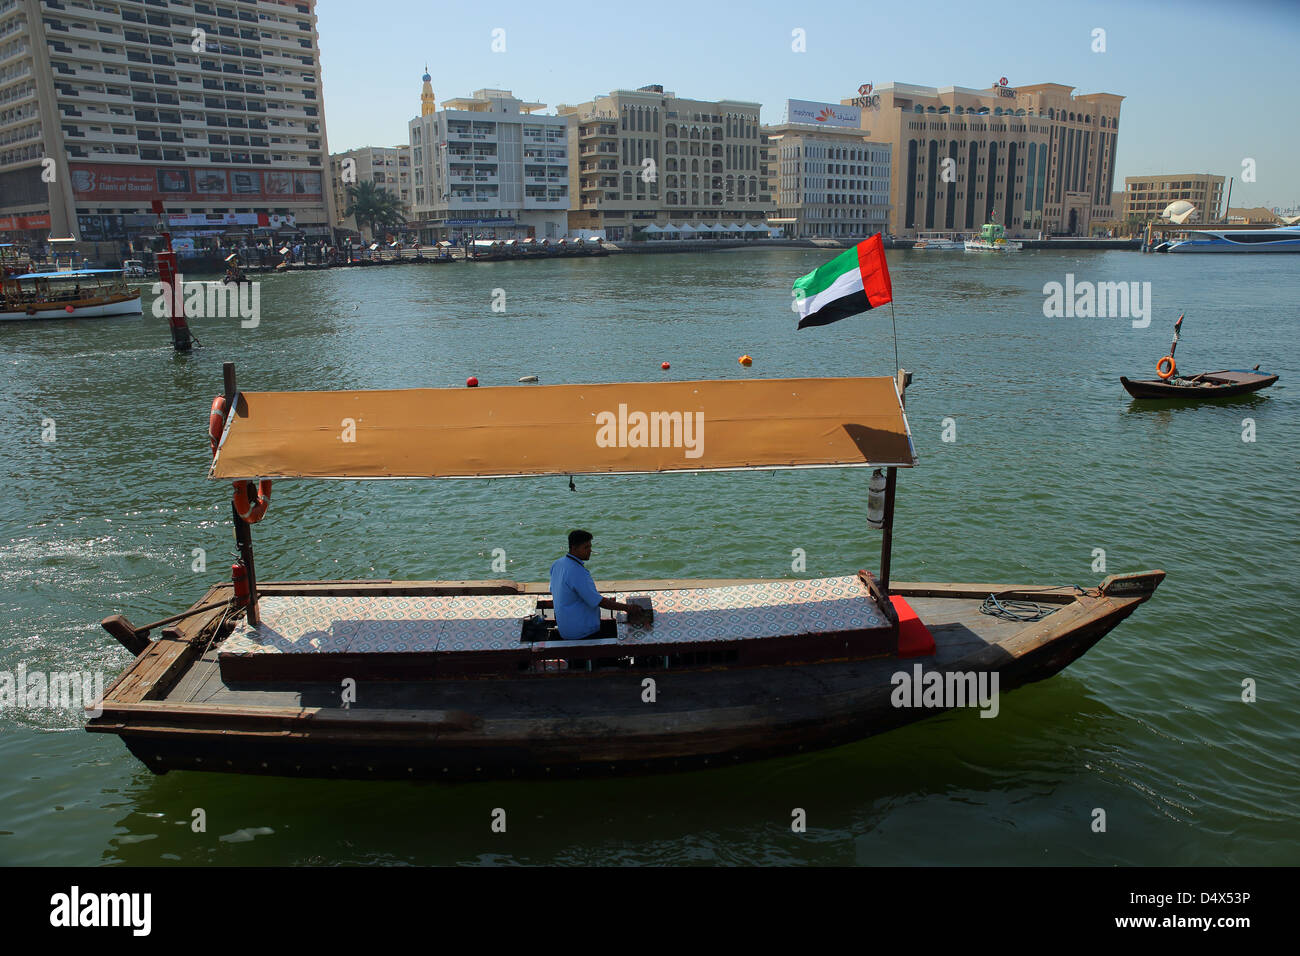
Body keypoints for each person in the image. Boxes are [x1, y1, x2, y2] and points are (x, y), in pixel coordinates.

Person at [548, 530, 648, 640]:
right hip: (581, 632)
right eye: (586, 548)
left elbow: (554, 590)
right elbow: (598, 601)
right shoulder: (577, 572)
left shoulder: (558, 564)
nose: (590, 551)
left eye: (590, 546)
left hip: (565, 629)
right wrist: (628, 608)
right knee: (625, 634)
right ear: (574, 548)